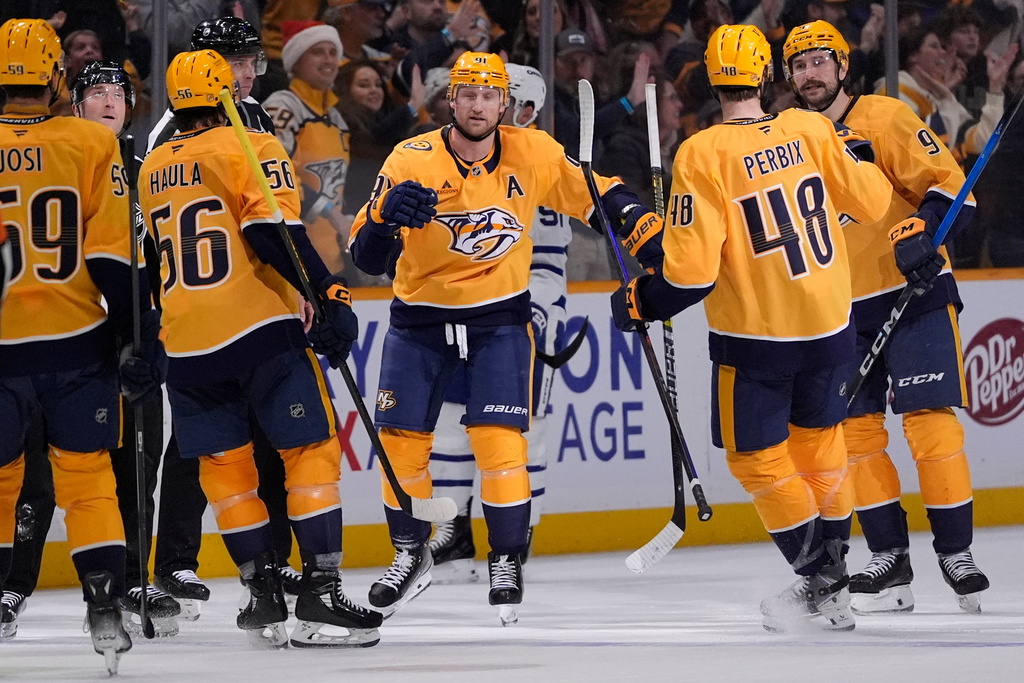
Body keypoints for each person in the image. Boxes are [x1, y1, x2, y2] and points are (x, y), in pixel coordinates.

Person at [348, 51, 663, 625]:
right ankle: (408, 553)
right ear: (452, 100)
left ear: (502, 104)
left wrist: (648, 235)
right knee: (399, 444)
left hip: (498, 320)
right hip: (418, 322)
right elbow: (365, 257)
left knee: (501, 442)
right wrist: (383, 217)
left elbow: (597, 193)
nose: (476, 105)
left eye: (488, 96)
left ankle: (506, 557)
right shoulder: (410, 157)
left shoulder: (533, 151)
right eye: (466, 95)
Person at [610, 24, 894, 633]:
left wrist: (644, 298)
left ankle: (824, 580)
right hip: (830, 324)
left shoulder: (702, 151)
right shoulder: (813, 128)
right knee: (821, 449)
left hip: (759, 337)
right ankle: (831, 579)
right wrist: (859, 159)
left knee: (757, 460)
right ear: (767, 76)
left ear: (712, 81)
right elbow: (871, 202)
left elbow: (688, 276)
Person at [138, 48, 381, 648]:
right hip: (258, 330)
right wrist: (328, 294)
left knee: (229, 474)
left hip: (186, 343)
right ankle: (320, 595)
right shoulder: (250, 145)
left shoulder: (150, 168)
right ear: (227, 96)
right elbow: (273, 232)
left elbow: (148, 261)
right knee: (310, 454)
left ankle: (262, 592)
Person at [783, 20, 991, 614]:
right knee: (856, 433)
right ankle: (888, 555)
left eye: (820, 61)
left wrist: (921, 234)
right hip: (839, 308)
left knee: (929, 419)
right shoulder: (789, 136)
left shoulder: (884, 117)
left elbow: (953, 187)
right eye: (798, 65)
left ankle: (955, 551)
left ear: (842, 66)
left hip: (913, 289)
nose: (810, 74)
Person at [0, 18, 166, 672]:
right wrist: (137, 339)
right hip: (74, 342)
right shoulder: (90, 143)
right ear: (57, 78)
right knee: (89, 480)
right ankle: (102, 602)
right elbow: (112, 259)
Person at [146, 16, 303, 617]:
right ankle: (175, 563)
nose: (246, 75)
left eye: (250, 63)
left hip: (260, 309)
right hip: (196, 309)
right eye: (236, 63)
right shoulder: (173, 128)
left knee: (272, 440)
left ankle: (274, 564)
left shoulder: (257, 118)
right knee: (196, 442)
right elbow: (150, 224)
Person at [425, 63, 568, 581]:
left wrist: (536, 310)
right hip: (461, 314)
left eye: (510, 101)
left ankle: (517, 535)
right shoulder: (459, 159)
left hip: (518, 321)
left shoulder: (539, 166)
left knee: (521, 431)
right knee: (448, 424)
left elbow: (550, 264)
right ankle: (452, 531)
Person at [263, 21, 351, 275]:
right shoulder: (282, 107)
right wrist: (330, 212)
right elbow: (278, 177)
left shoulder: (337, 120)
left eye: (333, 52)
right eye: (317, 52)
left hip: (332, 262)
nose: (328, 59)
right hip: (292, 259)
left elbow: (335, 188)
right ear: (296, 62)